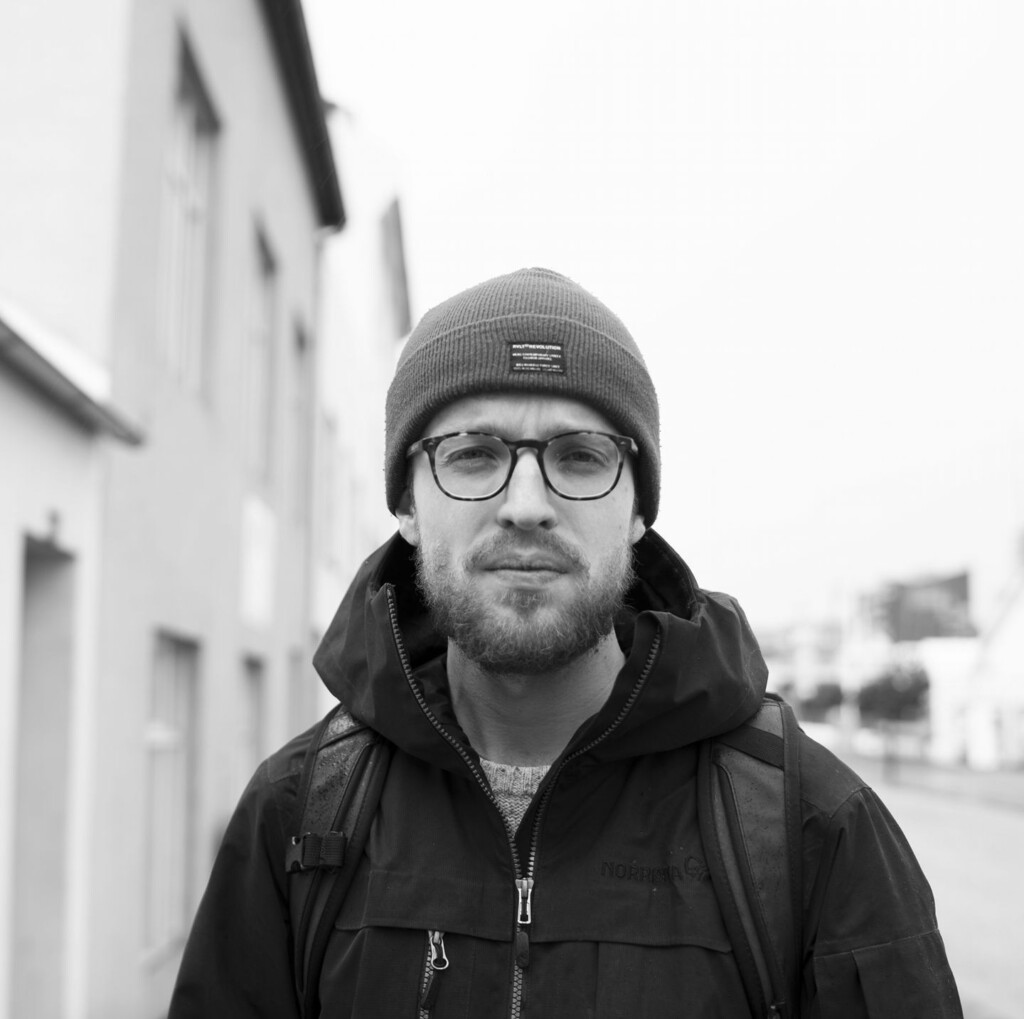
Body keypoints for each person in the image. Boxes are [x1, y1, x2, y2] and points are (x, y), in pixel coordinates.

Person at [168, 267, 962, 1017]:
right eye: (472, 454)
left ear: (638, 510)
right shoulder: (300, 817)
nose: (525, 504)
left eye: (579, 458)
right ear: (406, 505)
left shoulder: (811, 829)